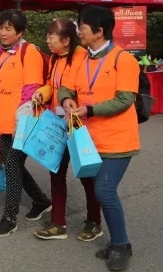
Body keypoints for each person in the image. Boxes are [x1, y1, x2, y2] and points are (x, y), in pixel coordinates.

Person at [59, 6, 140, 271]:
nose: (79, 30)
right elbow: (65, 86)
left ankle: (121, 244)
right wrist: (68, 99)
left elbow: (125, 99)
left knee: (105, 190)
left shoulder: (123, 59)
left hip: (117, 140)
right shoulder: (81, 58)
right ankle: (116, 240)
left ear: (99, 31)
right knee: (99, 191)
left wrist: (91, 109)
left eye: (82, 26)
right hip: (87, 139)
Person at [0, 9, 51, 237]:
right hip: (2, 124)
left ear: (20, 31)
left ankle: (10, 217)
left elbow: (31, 90)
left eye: (8, 28)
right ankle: (41, 200)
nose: (2, 33)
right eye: (1, 28)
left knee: (12, 168)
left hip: (20, 125)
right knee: (15, 167)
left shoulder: (29, 52)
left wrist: (19, 124)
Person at [30, 18, 103, 242]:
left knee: (87, 176)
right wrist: (42, 92)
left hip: (79, 125)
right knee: (56, 172)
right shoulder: (54, 58)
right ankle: (58, 222)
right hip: (58, 125)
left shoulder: (83, 57)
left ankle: (94, 222)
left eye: (51, 37)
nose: (48, 41)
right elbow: (53, 85)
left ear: (66, 40)